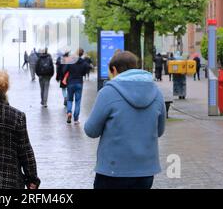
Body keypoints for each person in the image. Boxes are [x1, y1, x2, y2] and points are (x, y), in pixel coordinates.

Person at [84, 51, 166, 189]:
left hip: (112, 171)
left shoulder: (108, 93)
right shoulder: (157, 93)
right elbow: (160, 131)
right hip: (145, 172)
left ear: (114, 69)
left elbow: (91, 130)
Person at [63, 48, 90, 124]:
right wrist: (82, 74)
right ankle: (76, 119)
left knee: (69, 100)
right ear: (82, 54)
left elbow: (64, 70)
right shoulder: (83, 62)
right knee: (78, 102)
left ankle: (69, 113)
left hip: (70, 82)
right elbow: (87, 68)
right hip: (79, 83)